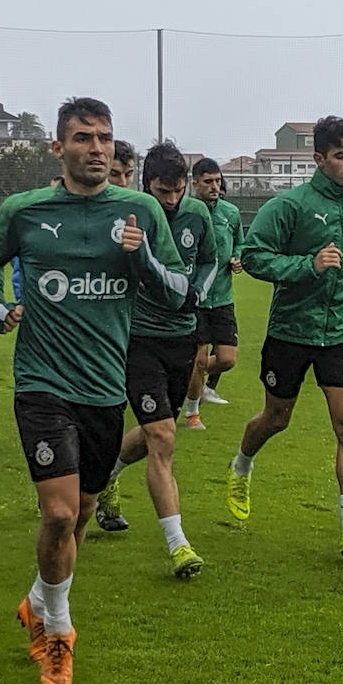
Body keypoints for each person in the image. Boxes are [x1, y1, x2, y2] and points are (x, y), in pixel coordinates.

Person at [0, 97, 188, 684]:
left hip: (103, 387)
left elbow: (177, 293)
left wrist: (140, 255)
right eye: (83, 138)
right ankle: (60, 632)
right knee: (60, 512)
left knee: (83, 514)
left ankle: (38, 600)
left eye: (105, 139)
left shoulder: (140, 208)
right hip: (42, 383)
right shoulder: (25, 211)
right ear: (59, 147)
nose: (96, 149)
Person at [223, 116, 343, 559]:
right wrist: (306, 267)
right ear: (318, 158)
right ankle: (242, 464)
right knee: (276, 419)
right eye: (341, 156)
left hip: (342, 334)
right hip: (291, 331)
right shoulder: (288, 206)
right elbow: (253, 257)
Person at [93, 142, 215, 578]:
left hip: (182, 337)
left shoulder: (198, 215)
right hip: (137, 338)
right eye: (163, 190)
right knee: (163, 436)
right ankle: (178, 544)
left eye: (178, 190)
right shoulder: (131, 213)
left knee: (153, 431)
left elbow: (208, 259)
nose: (171, 199)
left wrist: (199, 289)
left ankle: (105, 474)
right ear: (147, 185)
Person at [182, 157, 244, 429]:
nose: (215, 186)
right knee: (198, 356)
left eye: (218, 181)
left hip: (223, 297)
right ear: (194, 183)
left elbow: (241, 243)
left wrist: (238, 258)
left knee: (227, 360)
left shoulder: (230, 213)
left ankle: (187, 373)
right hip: (196, 297)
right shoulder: (186, 212)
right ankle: (192, 413)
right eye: (208, 181)